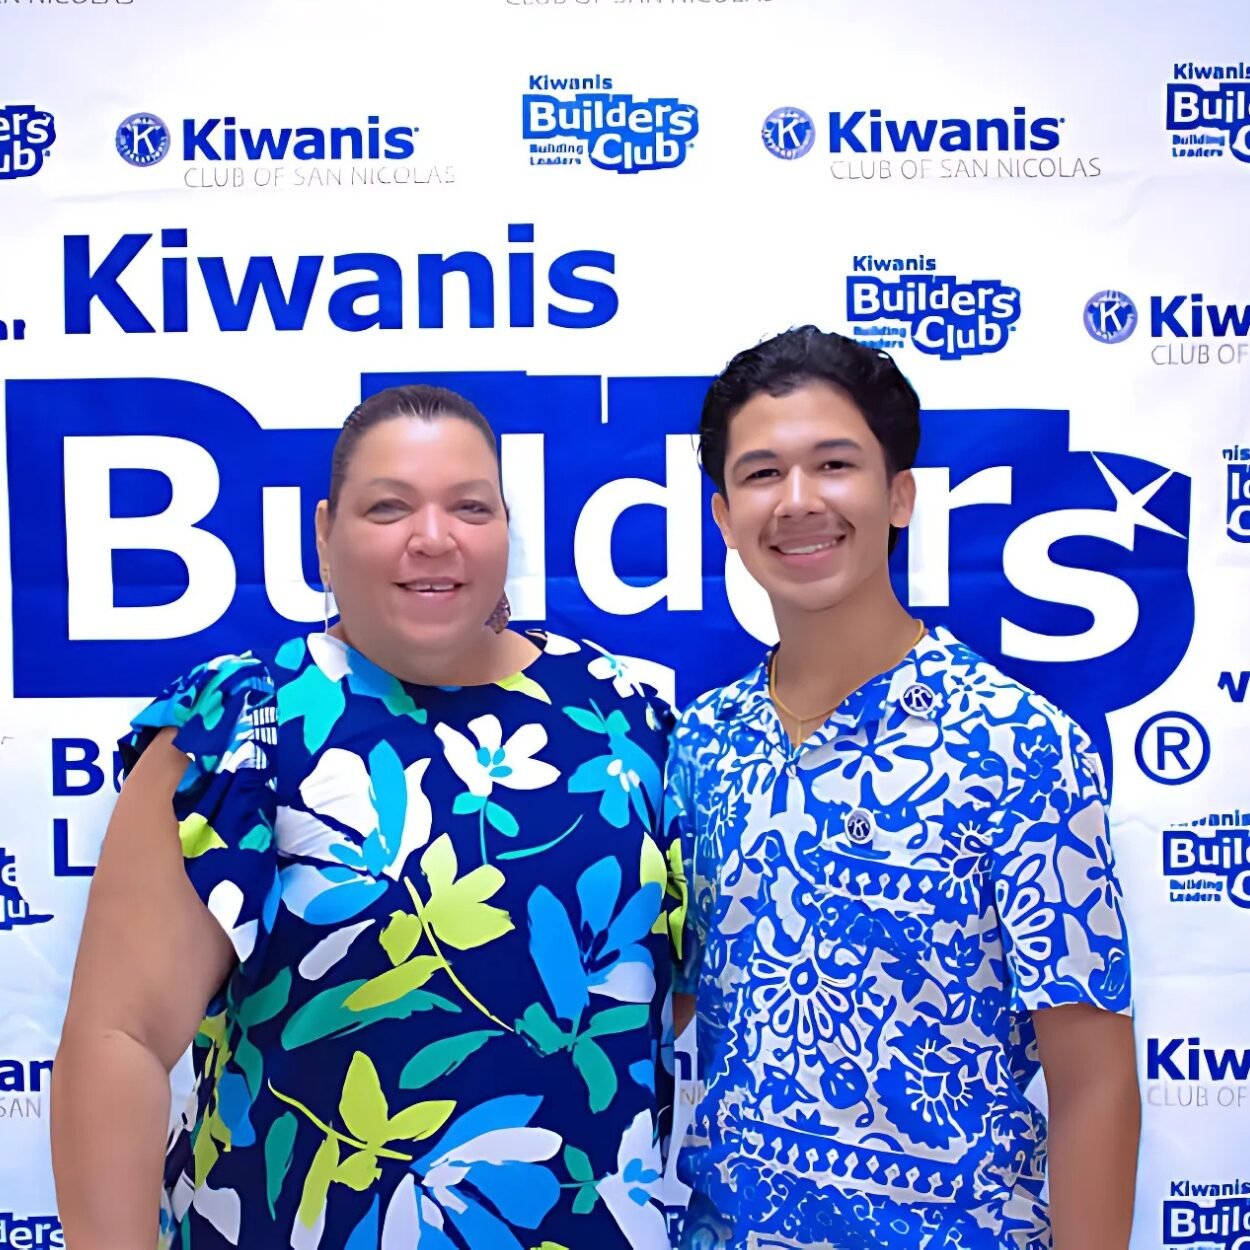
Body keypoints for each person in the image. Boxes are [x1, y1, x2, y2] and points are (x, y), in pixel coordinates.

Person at [52, 384, 684, 1250]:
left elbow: (658, 997)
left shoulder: (622, 717)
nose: (434, 536)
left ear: (506, 529)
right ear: (324, 533)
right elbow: (119, 1039)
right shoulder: (245, 725)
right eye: (389, 507)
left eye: (470, 506)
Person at [668, 328, 1139, 1250]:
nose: (798, 501)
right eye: (761, 474)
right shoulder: (701, 744)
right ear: (723, 516)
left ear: (899, 495)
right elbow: (660, 1006)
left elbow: (1095, 1083)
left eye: (833, 464)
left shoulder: (1018, 744)